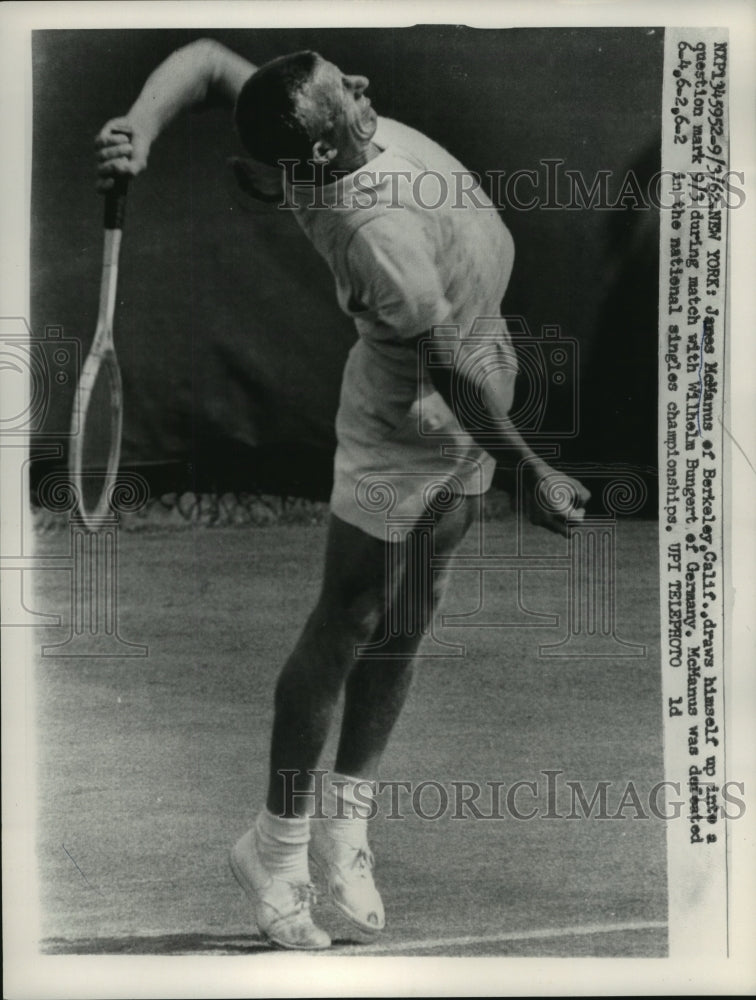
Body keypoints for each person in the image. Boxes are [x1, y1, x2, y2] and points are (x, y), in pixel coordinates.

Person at [95, 38, 590, 950]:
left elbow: (206, 62)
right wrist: (529, 469)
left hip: (481, 386)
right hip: (413, 424)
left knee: (413, 613)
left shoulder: (309, 116)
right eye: (350, 97)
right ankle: (276, 850)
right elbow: (443, 366)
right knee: (348, 622)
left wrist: (142, 125)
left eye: (347, 82)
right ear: (326, 152)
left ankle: (345, 823)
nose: (365, 88)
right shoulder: (372, 227)